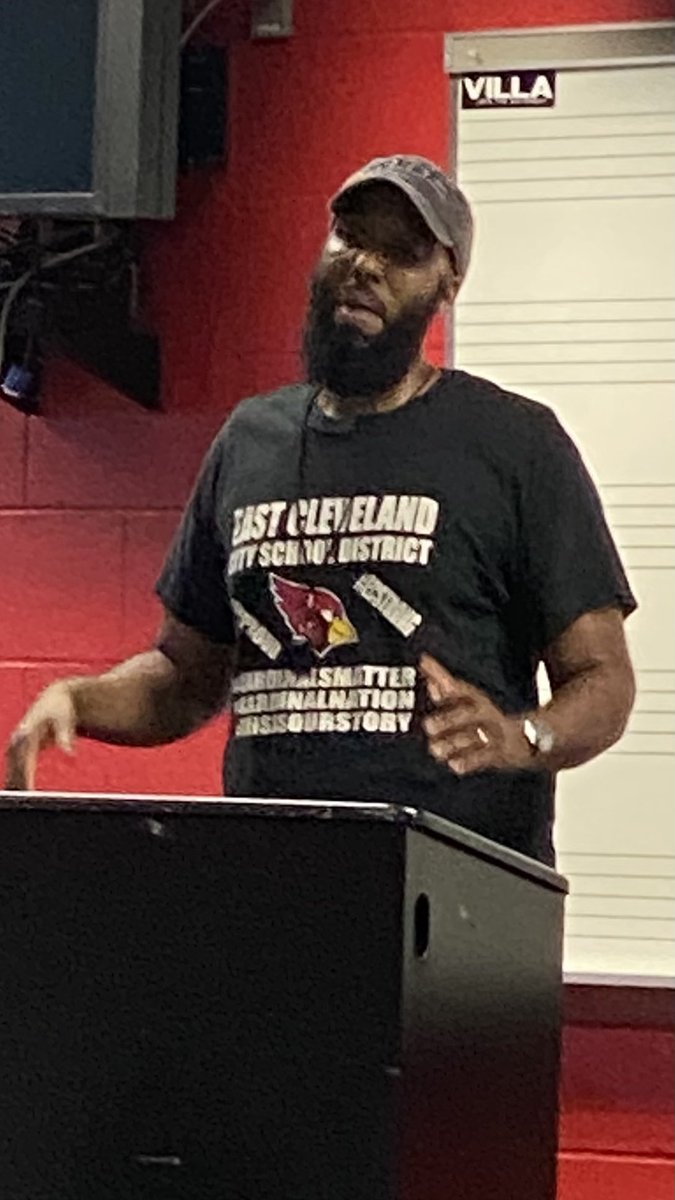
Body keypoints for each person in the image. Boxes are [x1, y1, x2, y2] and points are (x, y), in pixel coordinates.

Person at [5, 154, 637, 866]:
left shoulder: (514, 444)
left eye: (402, 252)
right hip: (272, 878)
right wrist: (80, 700)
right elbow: (187, 676)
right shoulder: (251, 440)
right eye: (350, 236)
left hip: (453, 895)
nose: (366, 264)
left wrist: (524, 739)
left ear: (447, 282)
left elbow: (602, 679)